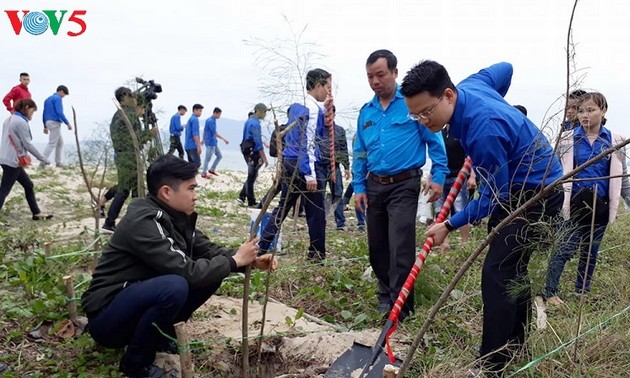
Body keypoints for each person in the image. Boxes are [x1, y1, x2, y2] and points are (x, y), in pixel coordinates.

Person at [401, 60, 564, 375]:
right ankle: (516, 345)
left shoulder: (482, 130)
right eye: (415, 114)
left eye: (426, 112)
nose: (422, 121)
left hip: (536, 194)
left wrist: (448, 225)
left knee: (497, 273)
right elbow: (506, 67)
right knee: (511, 267)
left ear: (448, 95)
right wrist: (499, 103)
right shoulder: (473, 85)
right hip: (521, 184)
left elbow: (492, 198)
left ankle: (493, 364)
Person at [82, 154, 277, 378]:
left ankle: (161, 338)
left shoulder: (176, 217)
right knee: (175, 285)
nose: (195, 196)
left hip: (134, 303)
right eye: (191, 189)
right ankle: (136, 364)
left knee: (212, 271)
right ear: (166, 192)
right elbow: (186, 272)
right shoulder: (144, 221)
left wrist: (248, 260)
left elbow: (210, 251)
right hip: (108, 318)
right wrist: (233, 261)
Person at [353, 50, 448, 320]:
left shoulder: (409, 105)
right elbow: (359, 151)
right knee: (377, 247)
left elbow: (434, 140)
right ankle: (386, 293)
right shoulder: (366, 112)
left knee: (401, 246)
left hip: (404, 184)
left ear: (394, 72)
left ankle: (402, 307)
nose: (375, 81)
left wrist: (438, 175)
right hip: (374, 185)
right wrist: (359, 186)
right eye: (370, 76)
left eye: (380, 75)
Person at [544, 92, 623, 305]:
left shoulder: (614, 140)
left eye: (590, 110)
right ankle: (549, 291)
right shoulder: (567, 140)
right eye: (581, 111)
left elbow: (621, 178)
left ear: (603, 111)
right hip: (573, 203)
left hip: (600, 206)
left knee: (591, 250)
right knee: (564, 247)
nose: (584, 115)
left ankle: (582, 290)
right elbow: (553, 170)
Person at [258, 69, 331, 262]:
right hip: (303, 164)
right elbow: (307, 143)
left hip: (289, 163)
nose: (328, 93)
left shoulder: (296, 106)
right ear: (318, 86)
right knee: (316, 213)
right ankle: (316, 254)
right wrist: (310, 174)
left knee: (281, 209)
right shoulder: (313, 110)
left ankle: (261, 247)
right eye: (328, 88)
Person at [102, 87, 151, 234]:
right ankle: (110, 222)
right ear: (124, 97)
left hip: (121, 155)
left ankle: (122, 221)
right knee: (126, 189)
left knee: (127, 187)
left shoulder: (118, 115)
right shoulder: (129, 115)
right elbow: (137, 140)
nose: (135, 99)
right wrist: (150, 134)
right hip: (129, 156)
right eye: (132, 96)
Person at [0, 99, 52, 220]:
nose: (32, 115)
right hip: (13, 161)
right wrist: (43, 159)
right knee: (4, 191)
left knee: (28, 184)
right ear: (27, 107)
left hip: (5, 158)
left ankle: (36, 212)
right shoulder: (21, 122)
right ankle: (36, 212)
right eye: (32, 112)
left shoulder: (9, 119)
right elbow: (28, 144)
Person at [432, 127, 477, 251]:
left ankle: (464, 243)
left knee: (460, 209)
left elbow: (470, 157)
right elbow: (437, 157)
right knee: (440, 210)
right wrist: (431, 177)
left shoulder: (460, 132)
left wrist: (472, 176)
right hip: (442, 177)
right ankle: (444, 243)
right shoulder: (440, 133)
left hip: (458, 177)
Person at [238, 103, 269, 206]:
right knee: (252, 176)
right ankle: (251, 201)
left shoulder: (249, 121)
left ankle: (242, 196)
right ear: (259, 111)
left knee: (252, 175)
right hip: (252, 152)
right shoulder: (255, 124)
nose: (265, 115)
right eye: (264, 112)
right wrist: (265, 158)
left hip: (246, 149)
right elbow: (258, 143)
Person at [329, 106, 351, 231]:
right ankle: (320, 220)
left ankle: (340, 223)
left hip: (335, 166)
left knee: (337, 193)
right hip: (320, 166)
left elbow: (343, 149)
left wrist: (346, 167)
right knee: (318, 194)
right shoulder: (319, 130)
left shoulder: (339, 131)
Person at [40, 85, 72, 169]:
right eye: (64, 94)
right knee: (52, 143)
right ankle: (42, 162)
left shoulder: (48, 99)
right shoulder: (58, 98)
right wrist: (67, 123)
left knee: (60, 142)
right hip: (55, 122)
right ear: (61, 91)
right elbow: (60, 112)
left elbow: (44, 113)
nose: (64, 96)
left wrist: (44, 125)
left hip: (48, 121)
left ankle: (58, 162)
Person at [201, 107, 229, 178]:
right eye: (219, 114)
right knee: (208, 158)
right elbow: (214, 133)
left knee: (219, 156)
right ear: (215, 113)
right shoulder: (210, 121)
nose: (220, 116)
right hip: (210, 142)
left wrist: (203, 140)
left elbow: (205, 131)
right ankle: (204, 173)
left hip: (214, 142)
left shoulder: (212, 120)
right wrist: (224, 139)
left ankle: (212, 169)